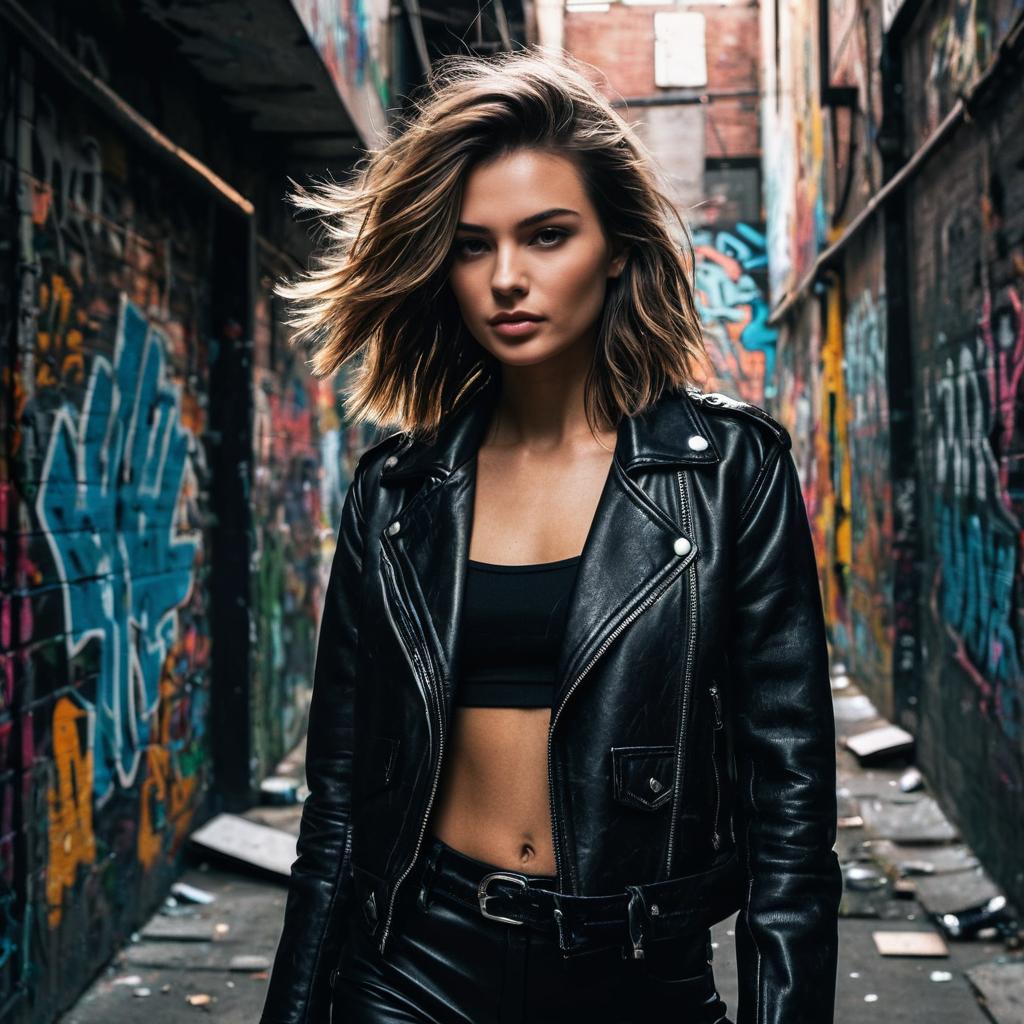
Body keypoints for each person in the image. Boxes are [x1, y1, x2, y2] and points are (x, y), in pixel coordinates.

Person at [260, 47, 842, 1024]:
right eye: (473, 244)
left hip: (634, 968)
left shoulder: (727, 473)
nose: (507, 279)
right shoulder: (397, 492)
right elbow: (341, 803)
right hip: (414, 964)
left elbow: (789, 815)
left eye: (546, 235)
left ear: (614, 246)